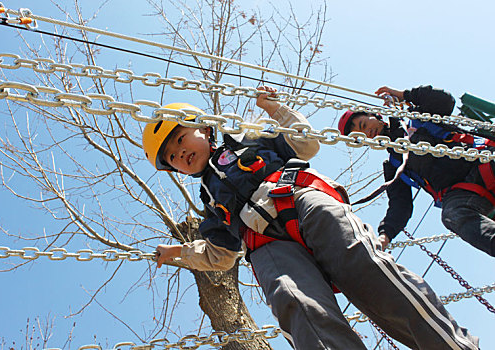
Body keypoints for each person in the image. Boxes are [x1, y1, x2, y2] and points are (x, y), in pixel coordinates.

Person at [143, 86, 479, 349]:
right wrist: (178, 254)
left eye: (180, 138)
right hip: (265, 244)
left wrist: (274, 109)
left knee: (365, 266)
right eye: (171, 157)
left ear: (203, 128)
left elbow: (305, 145)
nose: (180, 153)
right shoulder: (211, 206)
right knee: (296, 304)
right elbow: (220, 255)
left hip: (301, 198)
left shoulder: (249, 139)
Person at [339, 85, 495, 257]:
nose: (368, 132)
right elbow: (400, 205)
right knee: (452, 214)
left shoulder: (416, 118)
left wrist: (404, 95)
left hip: (482, 159)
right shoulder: (394, 165)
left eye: (364, 124)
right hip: (463, 193)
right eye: (361, 136)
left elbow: (445, 101)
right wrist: (385, 236)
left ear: (374, 115)